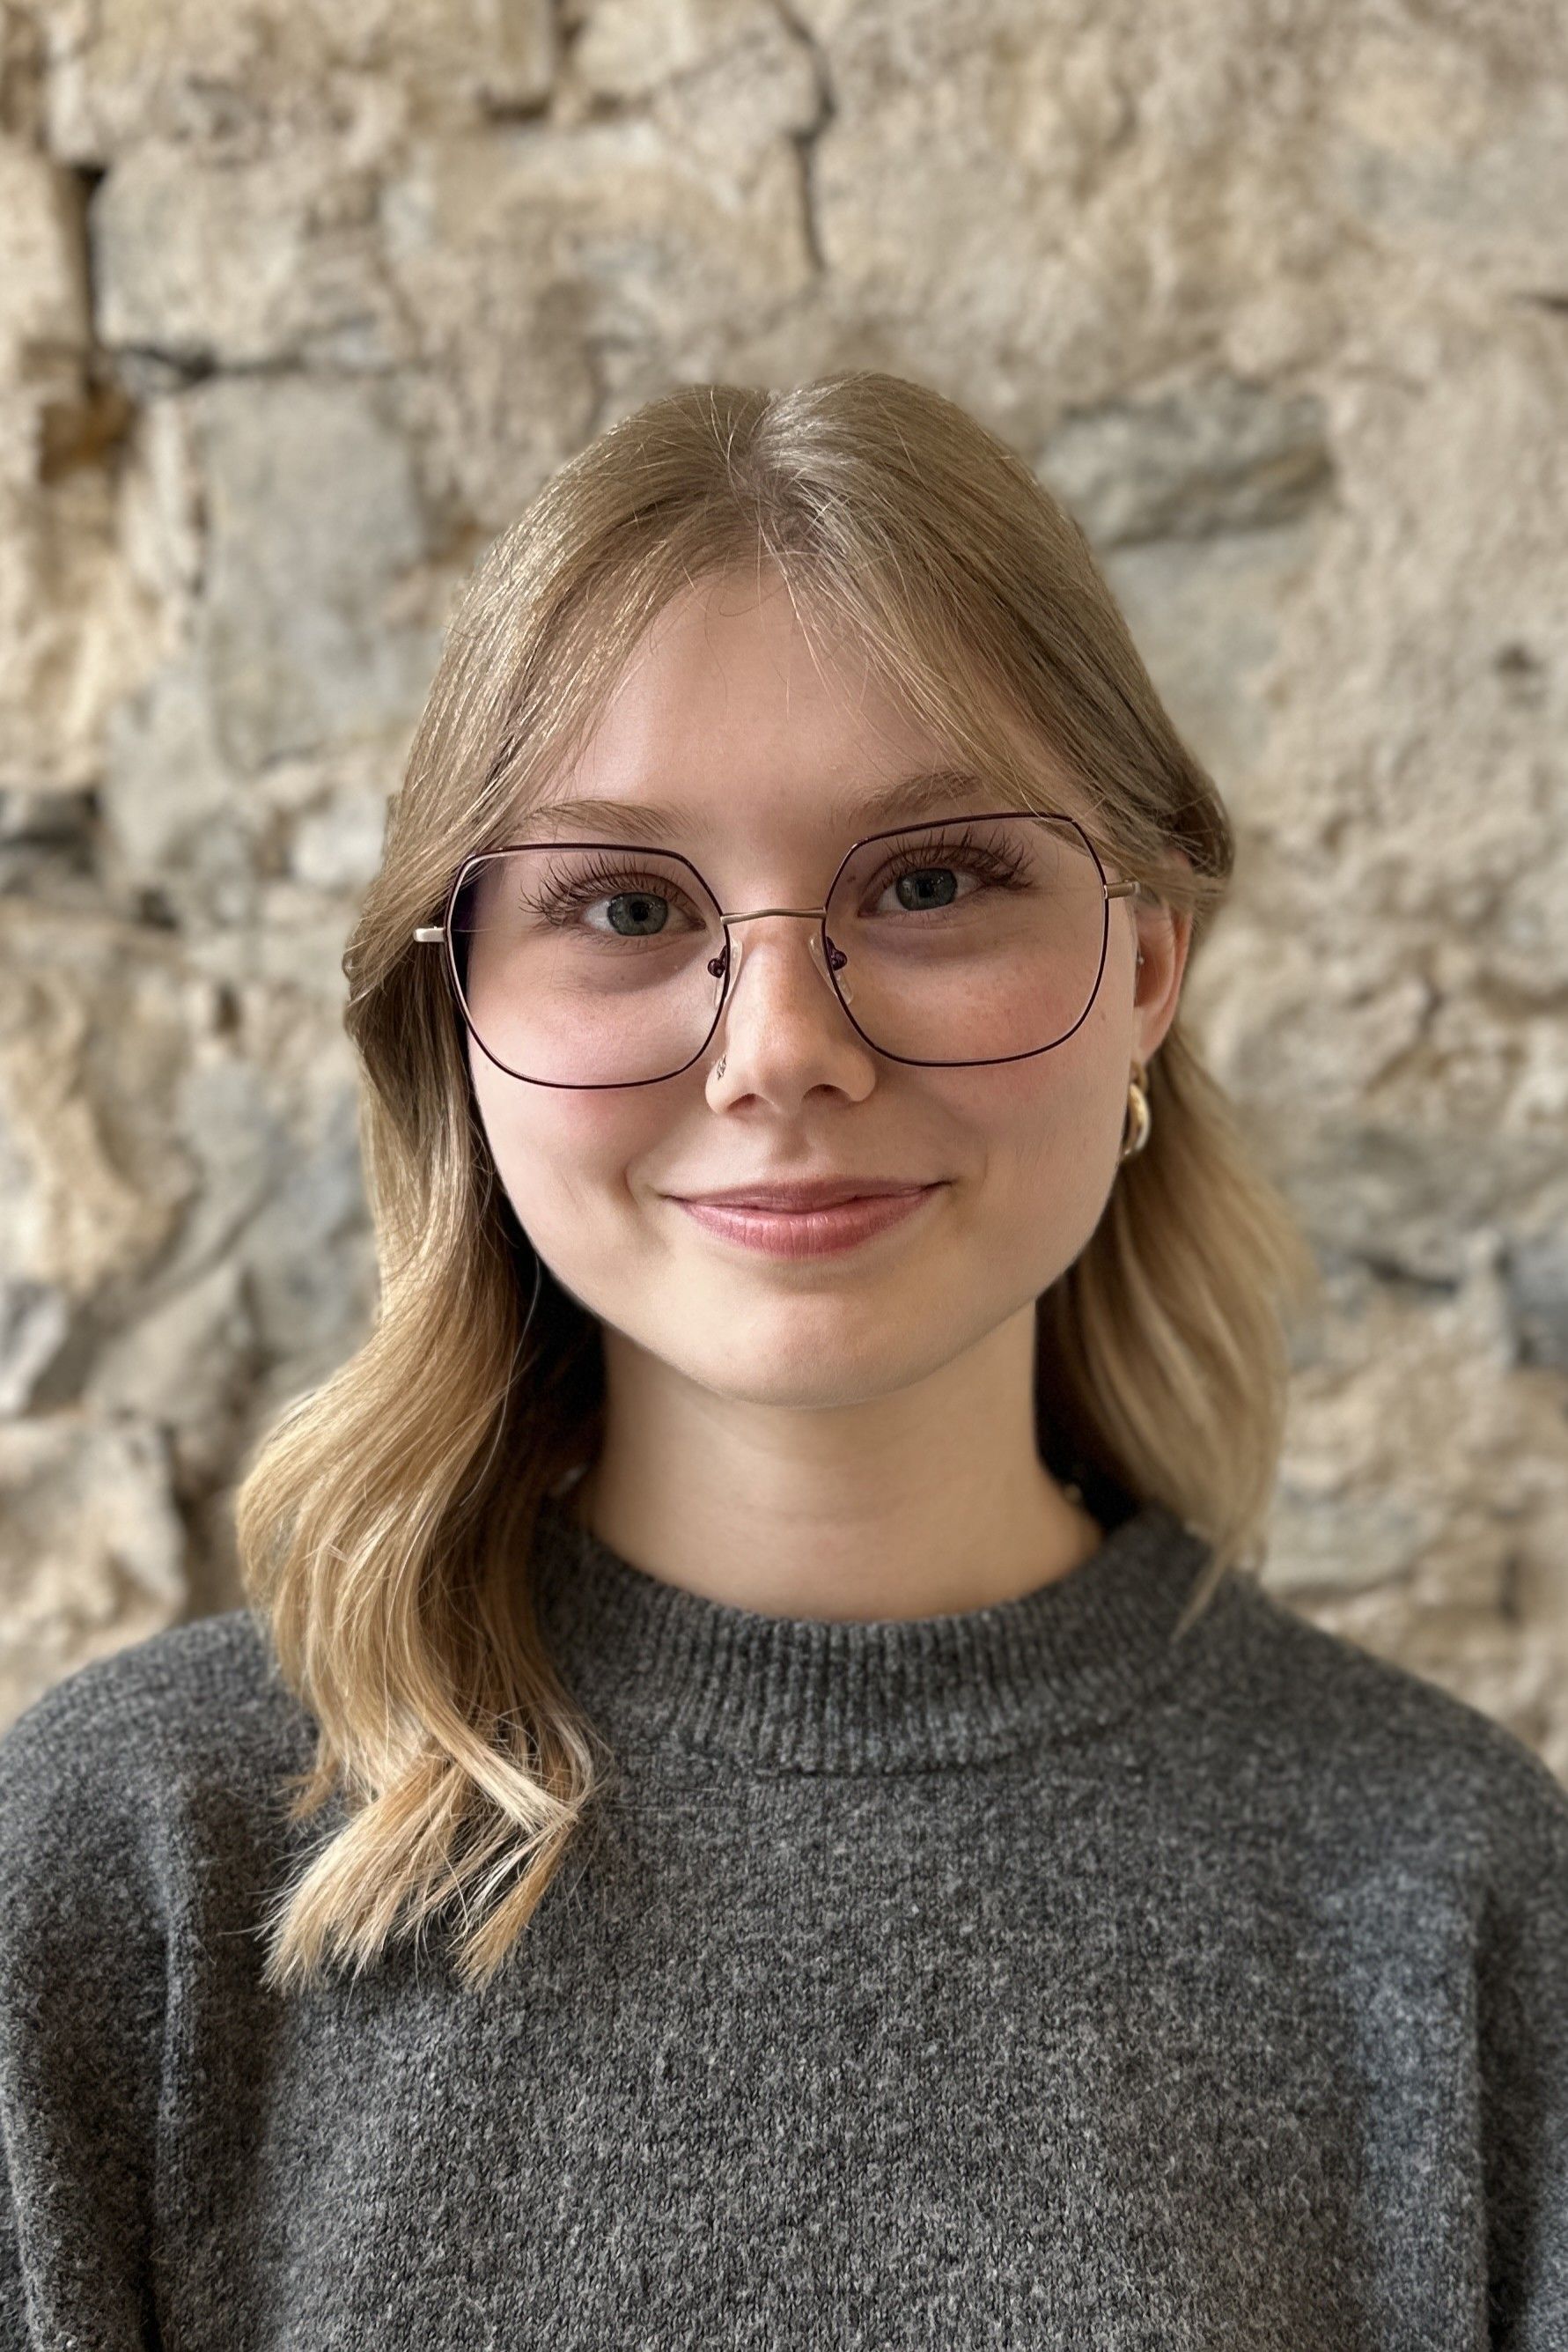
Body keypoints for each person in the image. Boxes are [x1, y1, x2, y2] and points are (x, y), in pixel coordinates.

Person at [1, 372, 1563, 2349]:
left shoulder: (1459, 1911)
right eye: (626, 905)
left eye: (927, 882)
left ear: (1149, 957)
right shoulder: (127, 1880)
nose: (779, 1046)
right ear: (461, 1010)